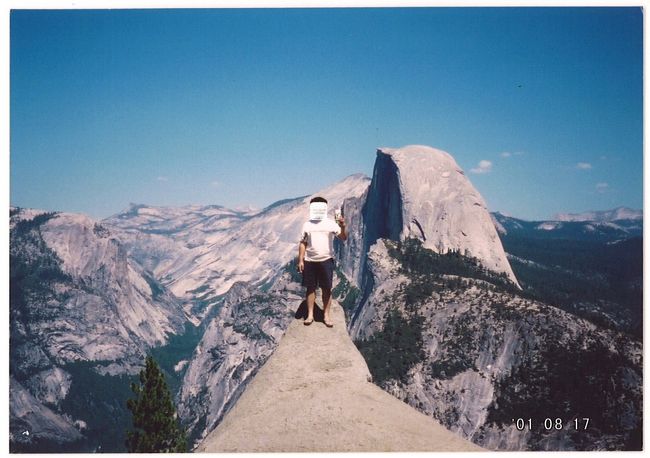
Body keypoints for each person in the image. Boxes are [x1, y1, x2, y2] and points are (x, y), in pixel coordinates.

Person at [297, 196, 347, 327]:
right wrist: (300, 260)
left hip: (326, 260)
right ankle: (310, 315)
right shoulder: (307, 225)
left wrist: (342, 226)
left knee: (327, 288)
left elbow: (343, 237)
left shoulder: (331, 223)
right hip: (309, 260)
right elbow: (303, 243)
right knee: (310, 288)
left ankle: (326, 315)